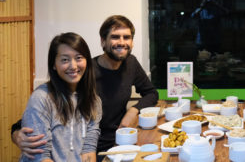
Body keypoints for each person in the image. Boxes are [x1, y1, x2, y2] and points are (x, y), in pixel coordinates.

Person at [12, 15, 159, 161]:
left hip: (112, 145)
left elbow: (151, 93)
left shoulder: (97, 94)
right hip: (97, 148)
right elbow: (35, 119)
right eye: (115, 37)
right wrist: (16, 133)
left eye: (126, 37)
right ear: (103, 41)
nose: (121, 42)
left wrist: (133, 111)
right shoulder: (79, 78)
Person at [20, 32, 102, 162]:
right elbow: (40, 156)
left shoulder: (94, 101)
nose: (73, 66)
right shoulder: (41, 98)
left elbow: (88, 151)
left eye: (79, 58)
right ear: (54, 64)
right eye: (65, 60)